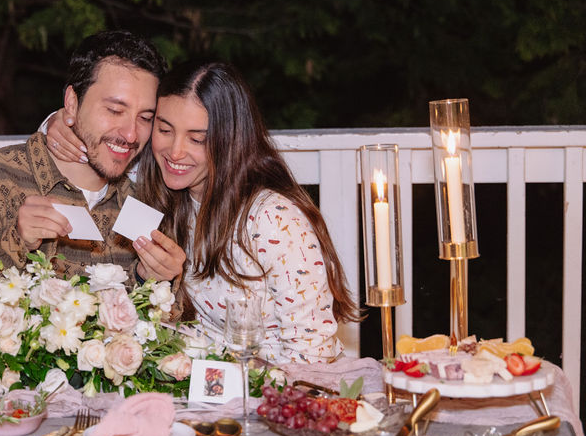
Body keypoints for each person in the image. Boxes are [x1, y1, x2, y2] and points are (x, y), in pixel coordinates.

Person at [48, 59, 359, 363]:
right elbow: (107, 148)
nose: (175, 151)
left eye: (197, 138)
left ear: (230, 140)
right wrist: (61, 121)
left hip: (275, 395)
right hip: (204, 392)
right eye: (165, 130)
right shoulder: (158, 189)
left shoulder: (273, 220)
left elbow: (313, 354)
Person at [0, 30, 183, 293]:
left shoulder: (146, 197)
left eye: (145, 118)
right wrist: (16, 242)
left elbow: (163, 325)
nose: (130, 134)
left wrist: (151, 280)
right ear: (71, 102)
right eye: (115, 110)